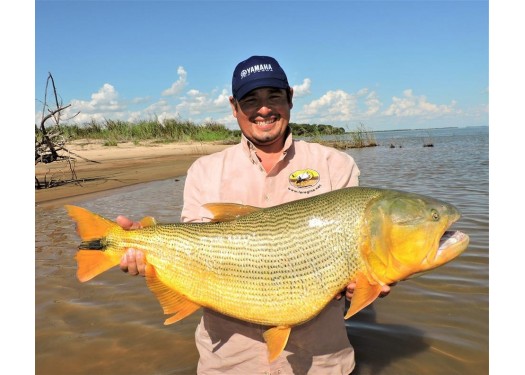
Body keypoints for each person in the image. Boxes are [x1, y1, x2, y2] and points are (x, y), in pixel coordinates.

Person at [118, 55, 391, 374]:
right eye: (251, 100)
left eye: (273, 96)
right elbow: (191, 253)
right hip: (229, 363)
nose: (264, 109)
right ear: (234, 107)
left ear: (290, 98)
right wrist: (146, 248)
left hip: (321, 362)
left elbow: (356, 260)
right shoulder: (204, 171)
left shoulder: (336, 166)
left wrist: (369, 280)